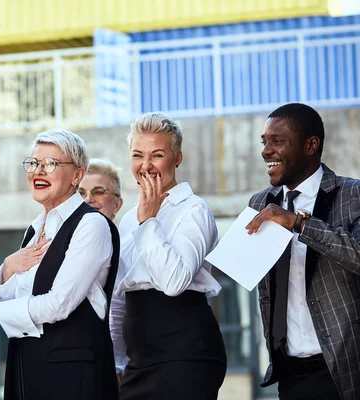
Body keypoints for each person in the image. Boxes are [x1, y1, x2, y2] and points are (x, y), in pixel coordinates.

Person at [0, 129, 120, 400]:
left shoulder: (91, 225)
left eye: (51, 164)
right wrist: (7, 267)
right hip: (27, 370)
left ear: (77, 175)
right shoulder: (36, 229)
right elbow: (15, 297)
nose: (38, 171)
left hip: (72, 379)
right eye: (33, 163)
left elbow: (59, 303)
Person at [246, 103, 360, 400]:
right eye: (264, 142)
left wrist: (299, 223)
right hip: (291, 374)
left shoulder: (353, 195)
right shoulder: (260, 204)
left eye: (278, 141)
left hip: (348, 367)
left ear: (311, 145)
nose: (266, 151)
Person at [111, 112, 227, 400]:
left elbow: (175, 282)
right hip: (139, 355)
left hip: (186, 350)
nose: (146, 165)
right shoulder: (129, 219)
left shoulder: (194, 211)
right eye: (138, 155)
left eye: (157, 155)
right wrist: (114, 361)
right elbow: (118, 297)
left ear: (177, 158)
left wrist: (149, 223)